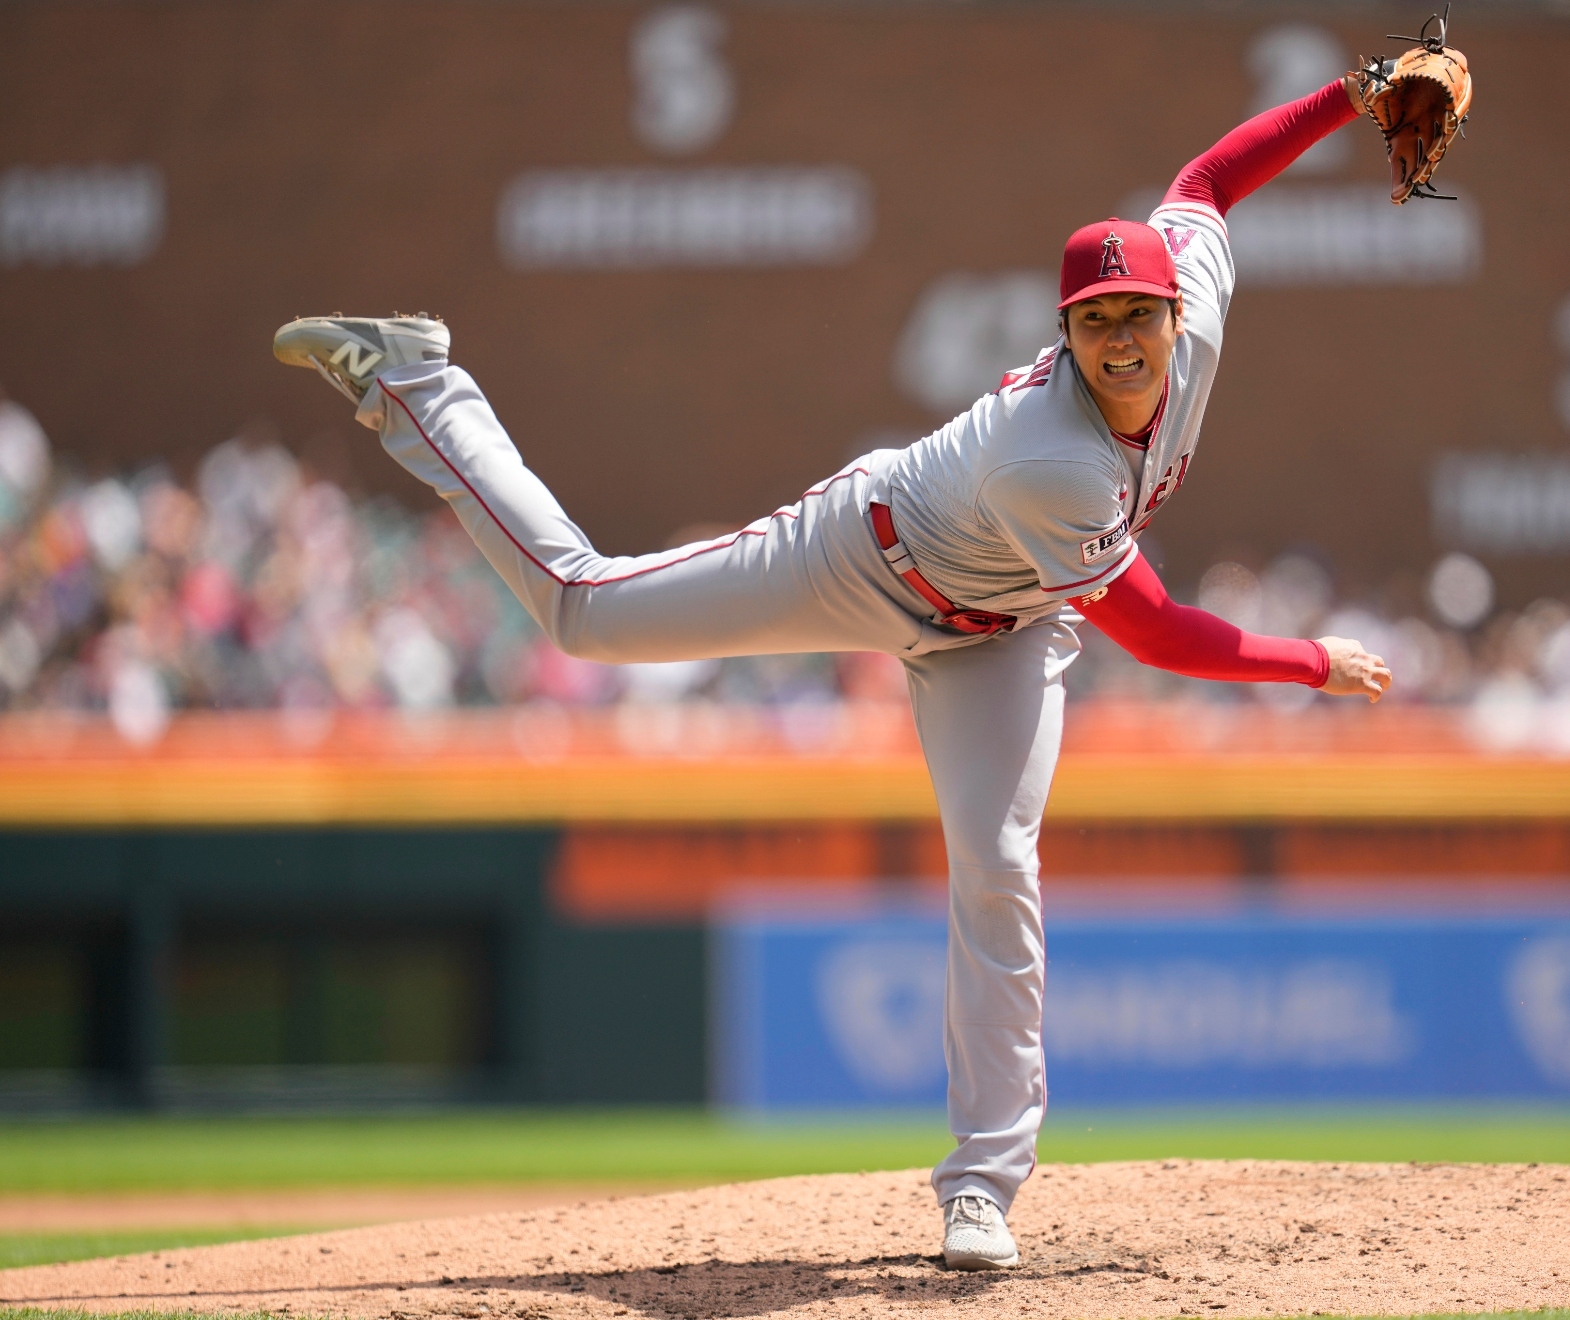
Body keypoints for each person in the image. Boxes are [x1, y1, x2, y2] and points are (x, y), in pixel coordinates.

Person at [273, 69, 1391, 1272]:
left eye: (1138, 315)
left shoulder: (1199, 308)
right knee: (585, 615)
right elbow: (1163, 635)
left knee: (999, 868)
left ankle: (980, 1193)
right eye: (1095, 320)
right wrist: (1310, 659)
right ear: (1063, 333)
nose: (1122, 339)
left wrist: (1356, 94)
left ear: (1178, 314)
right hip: (864, 557)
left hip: (1006, 631)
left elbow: (1208, 182)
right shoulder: (1048, 456)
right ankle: (418, 379)